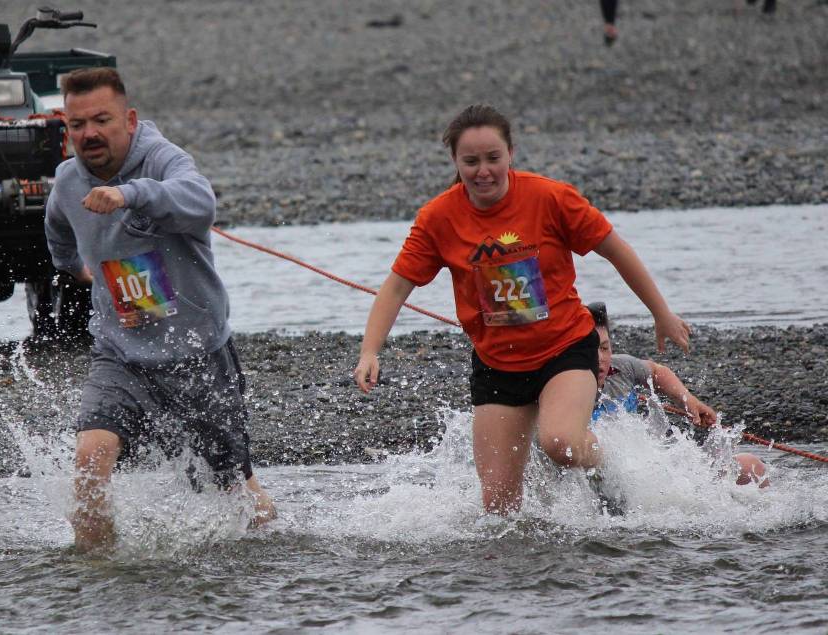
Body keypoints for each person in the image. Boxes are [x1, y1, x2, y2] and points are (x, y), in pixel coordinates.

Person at [353, 104, 690, 515]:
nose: (483, 171)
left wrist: (662, 313)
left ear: (511, 152)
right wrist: (370, 350)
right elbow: (395, 287)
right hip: (498, 366)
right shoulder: (438, 218)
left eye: (493, 158)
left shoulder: (550, 197)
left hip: (564, 350)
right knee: (498, 508)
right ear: (455, 161)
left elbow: (615, 250)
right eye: (471, 161)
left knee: (561, 443)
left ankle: (614, 467)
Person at [44, 67, 275, 552]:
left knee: (236, 495)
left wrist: (129, 194)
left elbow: (201, 201)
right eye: (77, 124)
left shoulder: (163, 159)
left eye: (101, 120)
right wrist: (77, 270)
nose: (89, 134)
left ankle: (273, 555)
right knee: (89, 460)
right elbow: (60, 238)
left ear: (128, 119)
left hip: (198, 353)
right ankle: (97, 581)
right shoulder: (66, 182)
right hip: (121, 354)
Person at [588, 302, 769, 487]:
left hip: (646, 474)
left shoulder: (622, 367)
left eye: (604, 347)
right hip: (598, 482)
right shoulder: (561, 388)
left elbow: (657, 372)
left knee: (750, 466)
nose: (600, 358)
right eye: (590, 348)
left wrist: (688, 400)